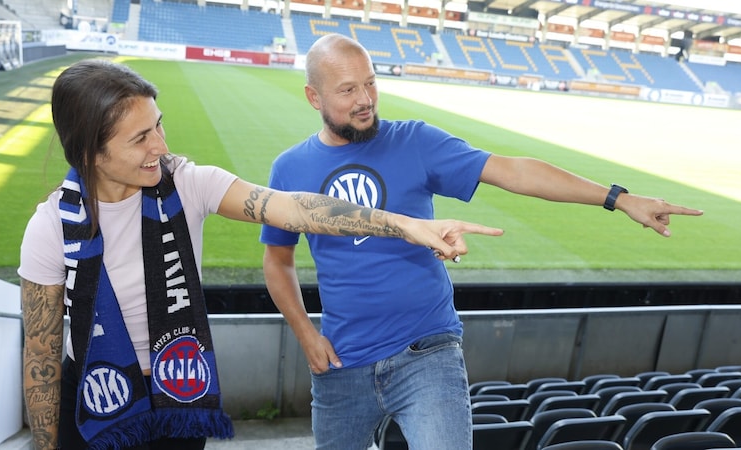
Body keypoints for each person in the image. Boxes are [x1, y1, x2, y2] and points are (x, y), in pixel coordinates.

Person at [17, 58, 501, 450]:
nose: (161, 147)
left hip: (178, 393)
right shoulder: (50, 228)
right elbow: (40, 352)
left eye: (158, 127)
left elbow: (294, 208)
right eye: (141, 138)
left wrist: (404, 225)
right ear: (89, 150)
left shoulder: (188, 182)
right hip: (93, 401)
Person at [259, 33, 704, 450]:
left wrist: (618, 198)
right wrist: (304, 332)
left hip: (426, 352)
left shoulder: (415, 141)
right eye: (348, 90)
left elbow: (514, 171)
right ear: (314, 97)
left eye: (371, 84)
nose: (366, 101)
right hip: (341, 362)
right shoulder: (289, 169)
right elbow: (278, 260)